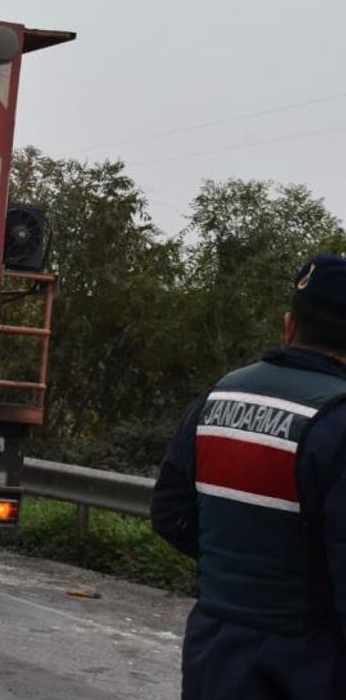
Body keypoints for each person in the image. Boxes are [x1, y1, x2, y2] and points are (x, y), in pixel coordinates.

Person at [152, 253, 346, 699]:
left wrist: (236, 570)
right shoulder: (339, 419)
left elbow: (168, 513)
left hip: (214, 655)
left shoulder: (220, 395)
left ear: (290, 325)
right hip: (308, 666)